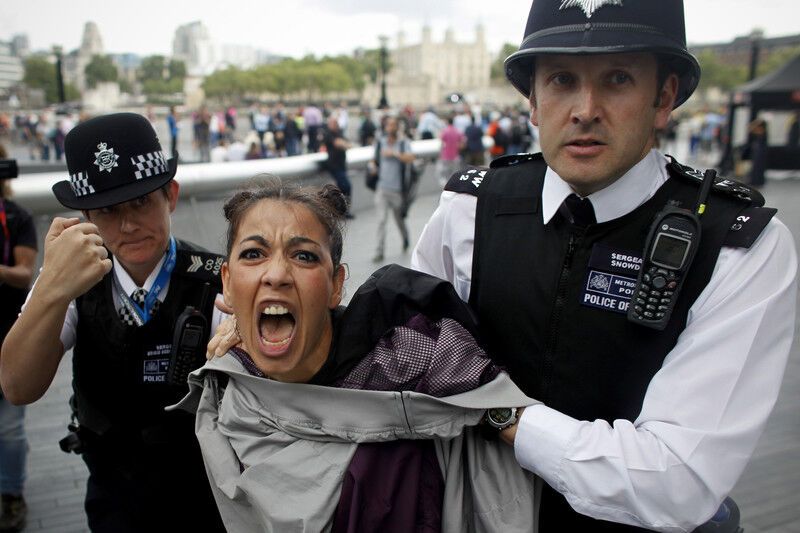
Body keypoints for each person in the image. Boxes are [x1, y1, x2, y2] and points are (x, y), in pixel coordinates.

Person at [411, 1, 797, 531]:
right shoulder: (468, 211)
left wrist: (501, 411)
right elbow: (410, 367)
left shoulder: (738, 245)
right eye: (562, 79)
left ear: (664, 98)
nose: (585, 109)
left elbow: (676, 481)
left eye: (617, 79)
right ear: (533, 101)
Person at [183, 179, 539, 532]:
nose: (276, 275)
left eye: (304, 256)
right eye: (253, 254)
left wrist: (494, 412)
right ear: (227, 282)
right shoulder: (223, 398)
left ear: (336, 285)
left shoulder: (420, 366)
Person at [0, 113, 226, 532]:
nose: (127, 225)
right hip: (112, 493)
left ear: (171, 195)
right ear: (86, 214)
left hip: (204, 493)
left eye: (141, 201)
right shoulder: (71, 283)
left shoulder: (214, 278)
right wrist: (51, 287)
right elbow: (17, 386)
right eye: (107, 210)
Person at [0, 146, 37, 532]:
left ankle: (11, 495)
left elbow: (25, 273)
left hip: (7, 331)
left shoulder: (15, 217)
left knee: (9, 429)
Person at [369, 116, 415, 263]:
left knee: (399, 219)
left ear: (397, 127)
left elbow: (410, 158)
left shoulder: (403, 143)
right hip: (382, 188)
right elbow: (373, 160)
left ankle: (405, 238)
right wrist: (373, 167)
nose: (391, 128)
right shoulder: (380, 142)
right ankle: (379, 251)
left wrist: (394, 154)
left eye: (393, 125)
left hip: (397, 191)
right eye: (388, 125)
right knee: (381, 221)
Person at [321, 116, 353, 217]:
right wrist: (343, 144)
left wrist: (343, 143)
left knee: (343, 188)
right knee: (345, 186)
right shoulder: (328, 134)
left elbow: (349, 144)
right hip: (334, 165)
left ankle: (343, 210)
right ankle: (342, 211)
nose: (335, 125)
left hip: (341, 164)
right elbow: (338, 144)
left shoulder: (339, 133)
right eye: (333, 123)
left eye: (336, 123)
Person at [438, 116, 464, 187]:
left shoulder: (445, 131)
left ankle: (446, 184)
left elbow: (441, 141)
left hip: (446, 153)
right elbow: (462, 140)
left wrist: (440, 152)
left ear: (447, 122)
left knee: (446, 170)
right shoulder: (457, 130)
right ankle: (454, 183)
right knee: (454, 170)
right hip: (455, 153)